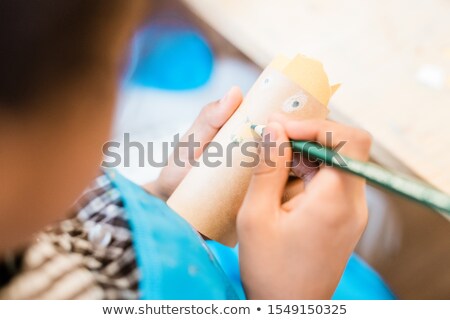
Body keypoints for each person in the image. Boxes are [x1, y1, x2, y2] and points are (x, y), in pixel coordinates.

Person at [0, 0, 372, 299]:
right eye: (112, 71)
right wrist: (289, 301)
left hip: (173, 243)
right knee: (378, 222)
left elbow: (71, 231)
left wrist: (163, 198)